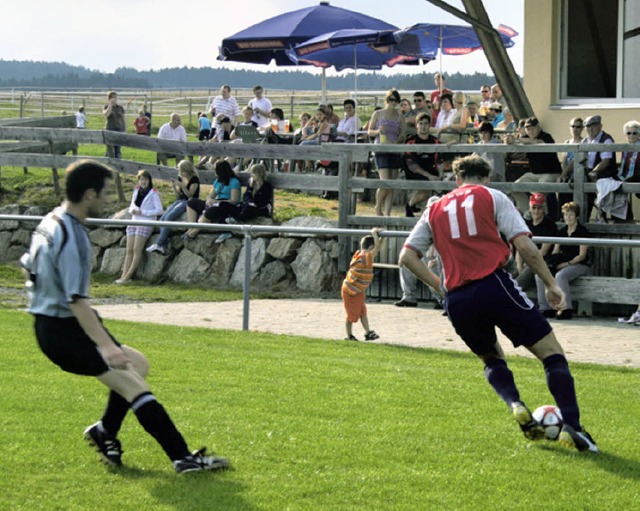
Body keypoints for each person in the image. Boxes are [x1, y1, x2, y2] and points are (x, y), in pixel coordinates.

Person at [19, 159, 230, 473]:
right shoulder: (73, 234)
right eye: (104, 193)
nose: (107, 200)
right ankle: (183, 458)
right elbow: (76, 301)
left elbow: (26, 265)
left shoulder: (50, 220)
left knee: (138, 365)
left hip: (56, 323)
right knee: (135, 387)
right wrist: (105, 346)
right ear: (89, 194)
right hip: (65, 329)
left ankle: (105, 431)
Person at [399, 155, 598, 452]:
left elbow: (407, 257)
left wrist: (441, 287)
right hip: (494, 285)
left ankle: (516, 403)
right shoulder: (493, 197)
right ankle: (573, 427)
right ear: (487, 178)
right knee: (551, 354)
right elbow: (524, 245)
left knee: (492, 359)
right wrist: (551, 283)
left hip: (457, 298)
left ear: (457, 179)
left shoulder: (434, 207)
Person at [535, 201, 590, 320]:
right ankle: (545, 308)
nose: (568, 217)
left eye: (570, 214)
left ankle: (566, 308)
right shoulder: (562, 232)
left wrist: (566, 264)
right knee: (540, 275)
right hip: (562, 263)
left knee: (561, 276)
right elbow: (556, 251)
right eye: (565, 215)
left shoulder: (582, 231)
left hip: (579, 265)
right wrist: (551, 264)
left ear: (576, 216)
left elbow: (582, 255)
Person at [115, 169, 163, 284]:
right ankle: (123, 276)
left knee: (137, 250)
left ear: (149, 180)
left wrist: (143, 212)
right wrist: (133, 210)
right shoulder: (136, 191)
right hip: (134, 221)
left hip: (145, 223)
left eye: (146, 179)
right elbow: (132, 205)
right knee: (129, 250)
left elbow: (159, 210)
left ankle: (128, 277)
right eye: (141, 179)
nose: (143, 182)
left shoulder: (154, 193)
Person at [146, 160, 201, 255]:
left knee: (169, 218)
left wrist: (182, 186)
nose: (179, 172)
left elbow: (190, 195)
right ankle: (163, 245)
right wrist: (175, 187)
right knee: (163, 219)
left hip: (189, 202)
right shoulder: (181, 179)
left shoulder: (194, 180)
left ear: (186, 170)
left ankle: (159, 244)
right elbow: (178, 195)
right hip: (180, 200)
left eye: (180, 170)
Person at [511, 117, 562, 217]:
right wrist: (510, 140)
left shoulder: (546, 136)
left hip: (551, 173)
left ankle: (541, 217)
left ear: (538, 127)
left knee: (540, 190)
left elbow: (539, 143)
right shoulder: (526, 138)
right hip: (535, 174)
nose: (530, 131)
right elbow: (513, 142)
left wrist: (520, 140)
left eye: (533, 128)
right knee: (514, 188)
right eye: (528, 128)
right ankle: (528, 214)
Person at [367, 89, 405, 216]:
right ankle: (378, 206)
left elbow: (403, 135)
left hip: (394, 149)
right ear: (386, 100)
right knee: (385, 181)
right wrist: (378, 131)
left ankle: (388, 212)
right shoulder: (378, 114)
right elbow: (369, 131)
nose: (392, 102)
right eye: (390, 99)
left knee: (392, 183)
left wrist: (398, 140)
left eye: (395, 100)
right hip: (381, 149)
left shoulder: (400, 117)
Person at [184, 160, 241, 243]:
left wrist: (217, 201)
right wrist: (209, 200)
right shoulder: (217, 181)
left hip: (225, 205)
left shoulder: (234, 182)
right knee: (192, 202)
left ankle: (194, 231)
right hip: (215, 203)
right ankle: (191, 227)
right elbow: (211, 195)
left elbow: (234, 200)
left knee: (213, 210)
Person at [342, 228, 382, 341]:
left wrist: (381, 237)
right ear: (370, 248)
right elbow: (377, 248)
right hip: (350, 291)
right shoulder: (365, 257)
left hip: (357, 290)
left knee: (362, 312)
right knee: (351, 315)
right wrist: (375, 234)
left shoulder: (359, 254)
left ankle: (368, 332)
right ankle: (349, 335)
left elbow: (377, 248)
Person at [516, 193, 558, 293]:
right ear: (530, 207)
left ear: (544, 209)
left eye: (539, 208)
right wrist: (519, 265)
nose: (536, 211)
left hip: (541, 263)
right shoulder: (526, 225)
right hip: (526, 261)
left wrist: (527, 262)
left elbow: (543, 251)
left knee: (517, 286)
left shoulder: (550, 225)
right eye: (534, 207)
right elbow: (519, 247)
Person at [403, 112, 439, 217]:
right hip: (414, 172)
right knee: (426, 190)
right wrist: (429, 175)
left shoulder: (435, 141)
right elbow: (411, 164)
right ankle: (409, 206)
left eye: (426, 123)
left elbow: (439, 159)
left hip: (431, 171)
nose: (423, 126)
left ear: (429, 125)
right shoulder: (410, 141)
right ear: (416, 125)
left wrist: (439, 174)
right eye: (421, 123)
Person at [102, 91, 125, 159]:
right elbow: (106, 114)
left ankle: (118, 162)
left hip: (119, 129)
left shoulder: (120, 108)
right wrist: (110, 105)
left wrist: (124, 129)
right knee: (110, 149)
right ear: (109, 99)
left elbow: (123, 119)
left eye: (115, 97)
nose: (115, 99)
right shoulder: (106, 106)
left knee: (118, 149)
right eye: (113, 97)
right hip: (110, 129)